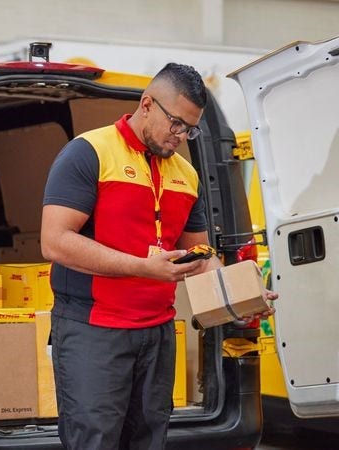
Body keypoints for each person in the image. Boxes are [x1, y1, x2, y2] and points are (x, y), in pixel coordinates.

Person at [40, 62, 277, 450]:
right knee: (95, 442)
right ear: (147, 104)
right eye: (176, 124)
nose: (182, 137)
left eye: (191, 128)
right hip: (94, 330)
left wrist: (243, 296)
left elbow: (201, 256)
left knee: (150, 441)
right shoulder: (89, 153)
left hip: (157, 333)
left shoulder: (186, 174)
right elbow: (54, 242)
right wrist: (142, 268)